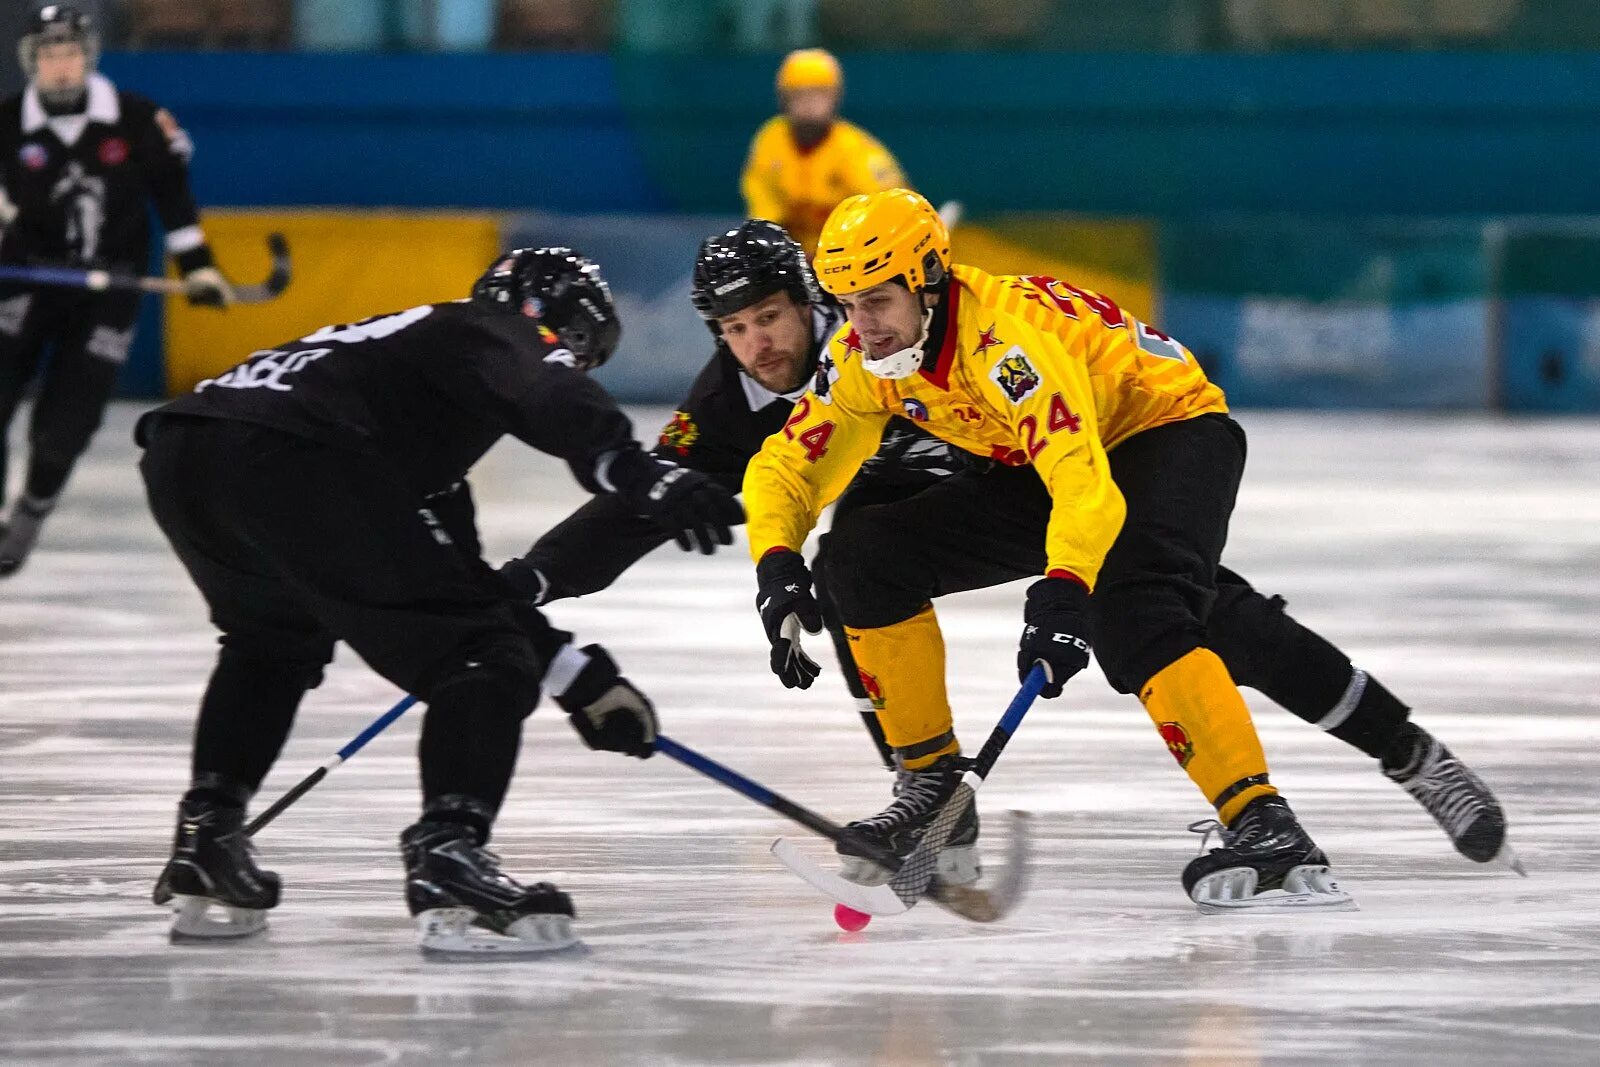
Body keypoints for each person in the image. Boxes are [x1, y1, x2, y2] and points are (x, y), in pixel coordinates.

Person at [512, 218, 1519, 894]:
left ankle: (1341, 785)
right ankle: (931, 801)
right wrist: (766, 567)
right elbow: (762, 469)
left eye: (773, 318)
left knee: (1162, 613)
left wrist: (1064, 591)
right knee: (857, 559)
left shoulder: (986, 339)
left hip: (1142, 431)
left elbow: (1081, 476)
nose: (759, 346)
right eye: (734, 330)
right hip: (1010, 462)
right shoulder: (827, 363)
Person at [139, 248, 743, 956]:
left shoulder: (404, 375)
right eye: (579, 356)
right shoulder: (485, 328)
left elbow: (464, 586)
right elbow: (546, 397)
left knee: (273, 642)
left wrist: (581, 680)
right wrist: (644, 475)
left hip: (189, 451)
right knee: (483, 660)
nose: (571, 368)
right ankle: (448, 853)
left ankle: (207, 833)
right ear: (563, 334)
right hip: (295, 455)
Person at [0, 5, 232, 576]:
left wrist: (199, 266)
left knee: (66, 423)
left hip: (110, 286)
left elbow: (173, 197)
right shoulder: (6, 125)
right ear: (31, 62)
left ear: (89, 57)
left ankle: (27, 518)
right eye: (49, 55)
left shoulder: (136, 120)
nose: (61, 67)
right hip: (27, 279)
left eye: (70, 53)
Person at [740, 48, 906, 259]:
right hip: (790, 261)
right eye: (799, 94)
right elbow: (763, 214)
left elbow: (890, 215)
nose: (809, 103)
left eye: (819, 93)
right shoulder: (770, 140)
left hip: (850, 261)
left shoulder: (856, 150)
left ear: (835, 97)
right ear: (783, 99)